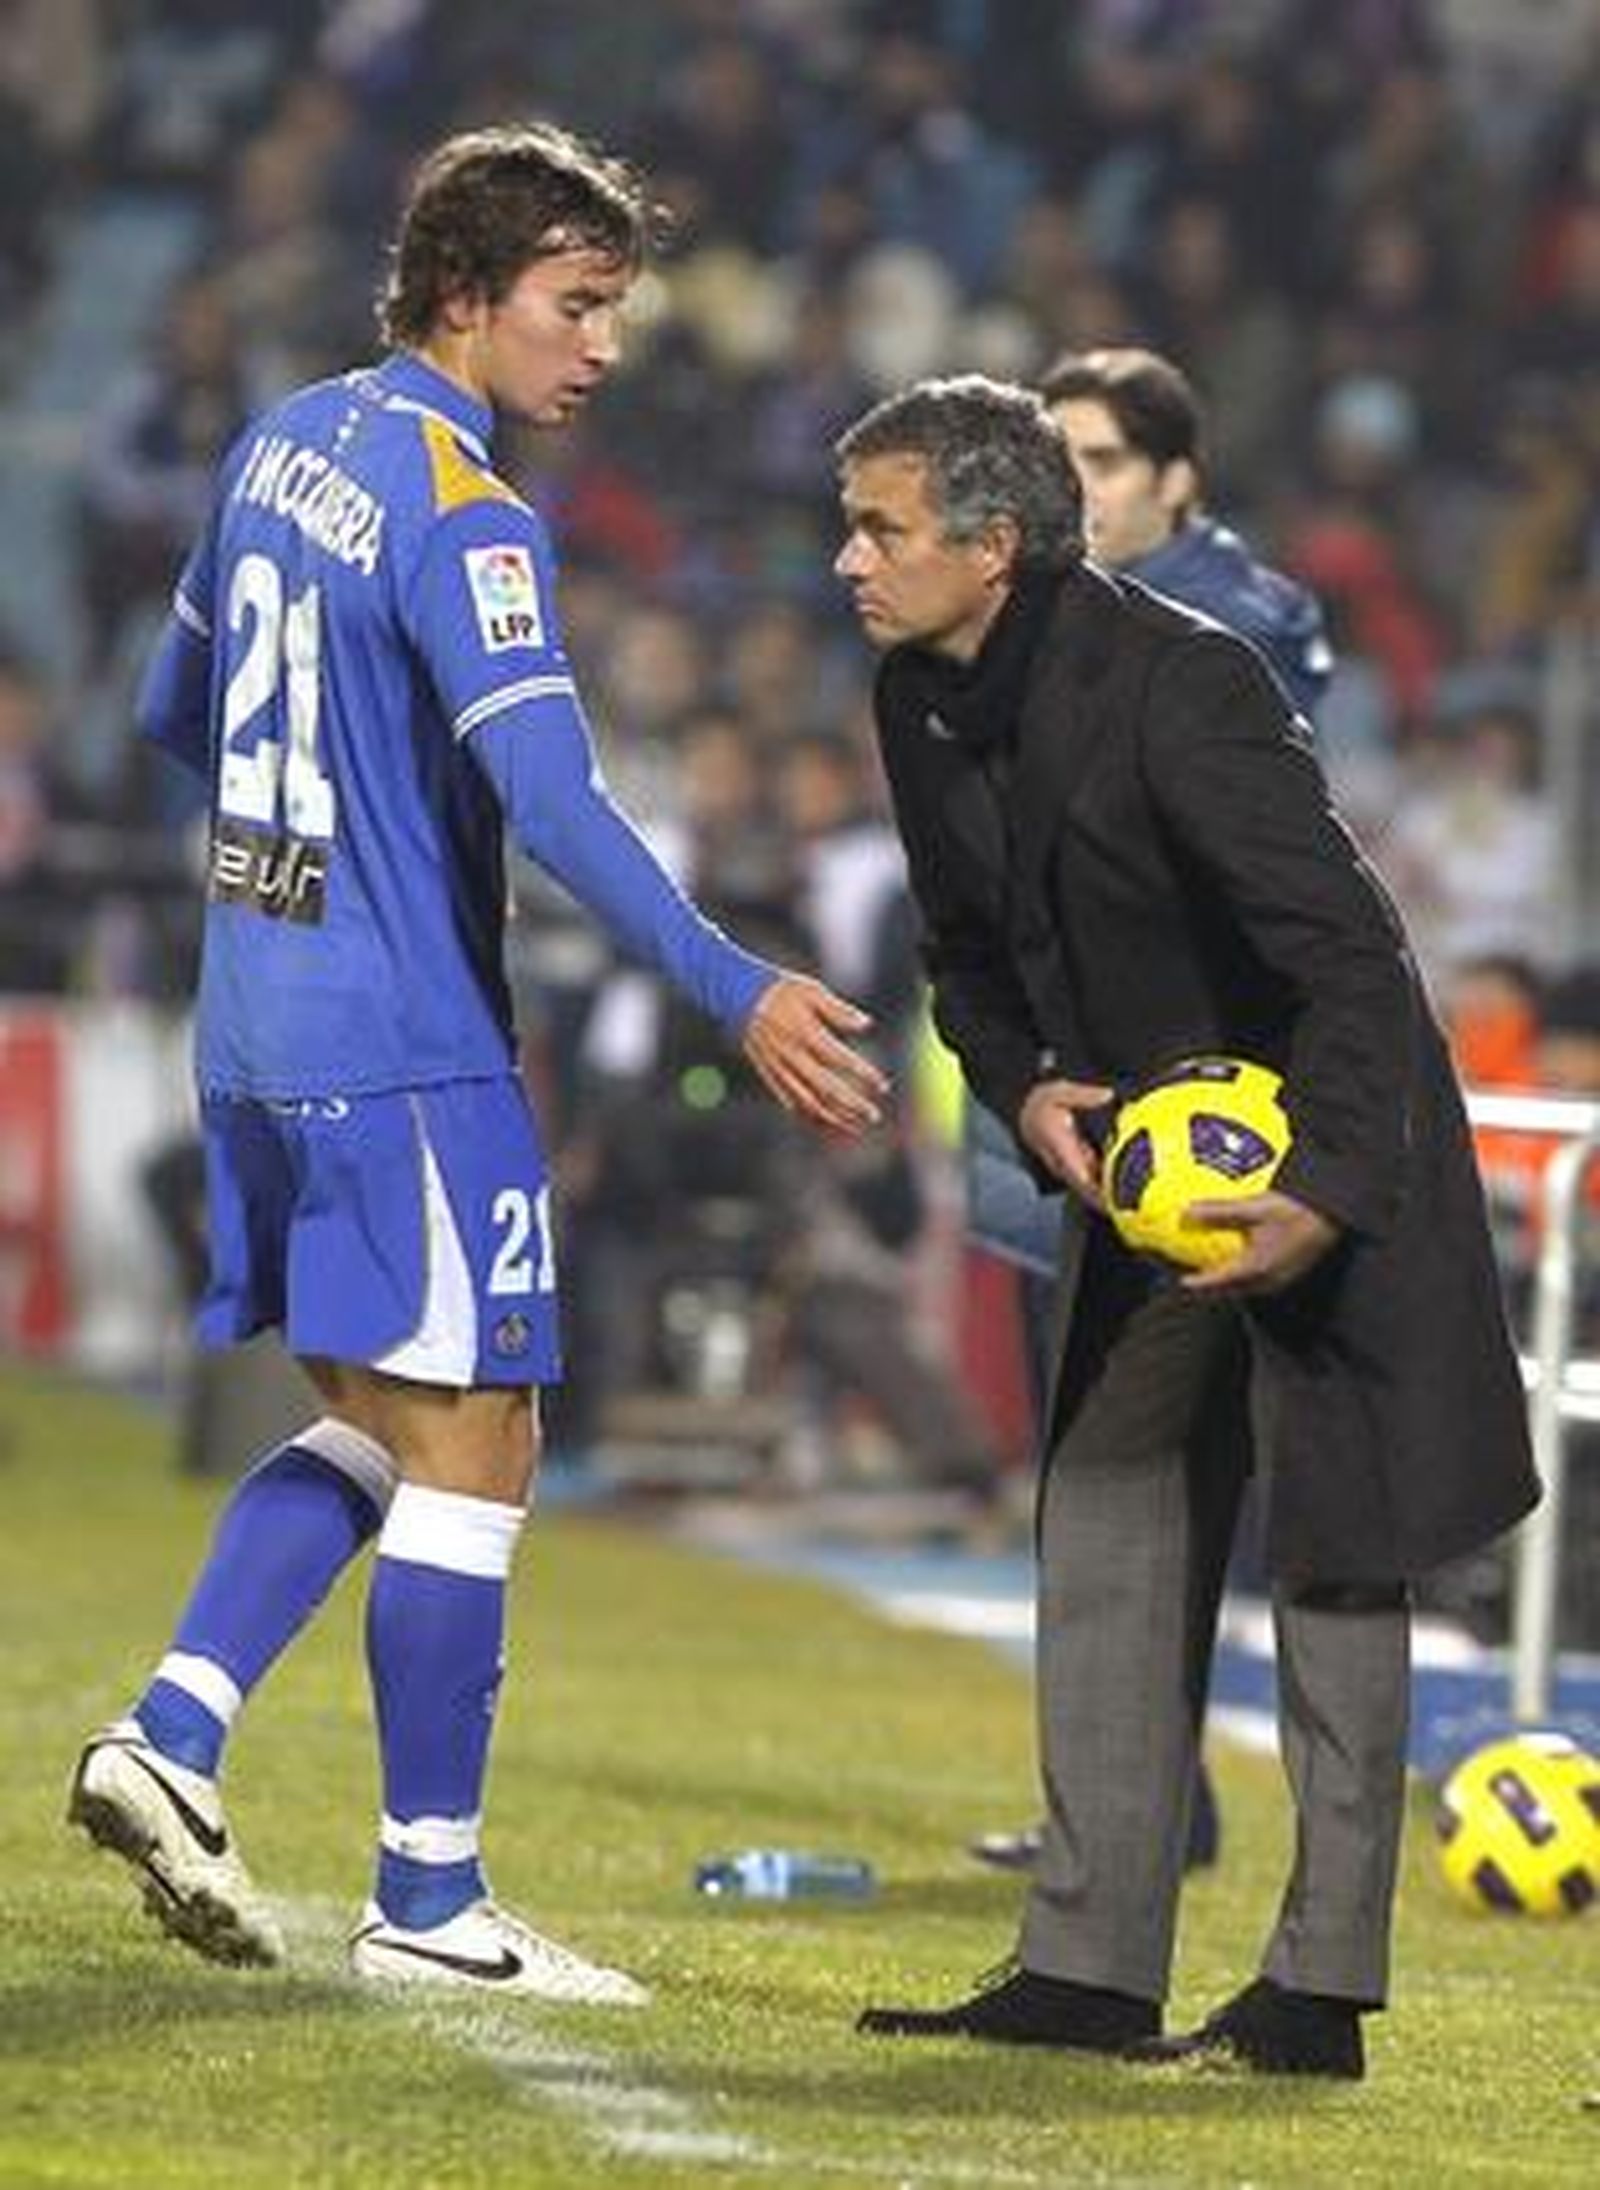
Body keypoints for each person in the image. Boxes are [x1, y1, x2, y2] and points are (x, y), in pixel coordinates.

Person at [67, 121, 886, 2005]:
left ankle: (173, 1739)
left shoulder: (279, 439)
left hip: (257, 1019)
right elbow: (552, 797)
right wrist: (730, 983)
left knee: (378, 1410)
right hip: (406, 1040)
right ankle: (429, 1902)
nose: (603, 346)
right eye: (575, 306)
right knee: (485, 1434)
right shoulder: (464, 506)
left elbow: (168, 706)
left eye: (618, 309)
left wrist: (322, 828)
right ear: (463, 296)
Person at [833, 374, 1536, 2076]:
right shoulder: (915, 697)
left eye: (879, 527)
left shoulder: (1185, 686)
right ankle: (1088, 1965)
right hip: (1144, 1169)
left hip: (1331, 1159)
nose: (847, 561)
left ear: (993, 545)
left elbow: (1358, 968)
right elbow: (966, 958)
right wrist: (1029, 1092)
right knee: (1108, 1516)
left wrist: (1318, 1199)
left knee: (1338, 1557)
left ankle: (1318, 1993)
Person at [965, 344, 1333, 1877]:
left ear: (1179, 480)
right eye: (1058, 463)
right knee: (1106, 1470)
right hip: (1087, 1095)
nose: (1077, 492)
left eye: (1103, 463)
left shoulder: (1225, 619)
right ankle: (1134, 1801)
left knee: (1156, 1474)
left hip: (1194, 1109)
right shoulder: (1064, 618)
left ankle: (1139, 1810)